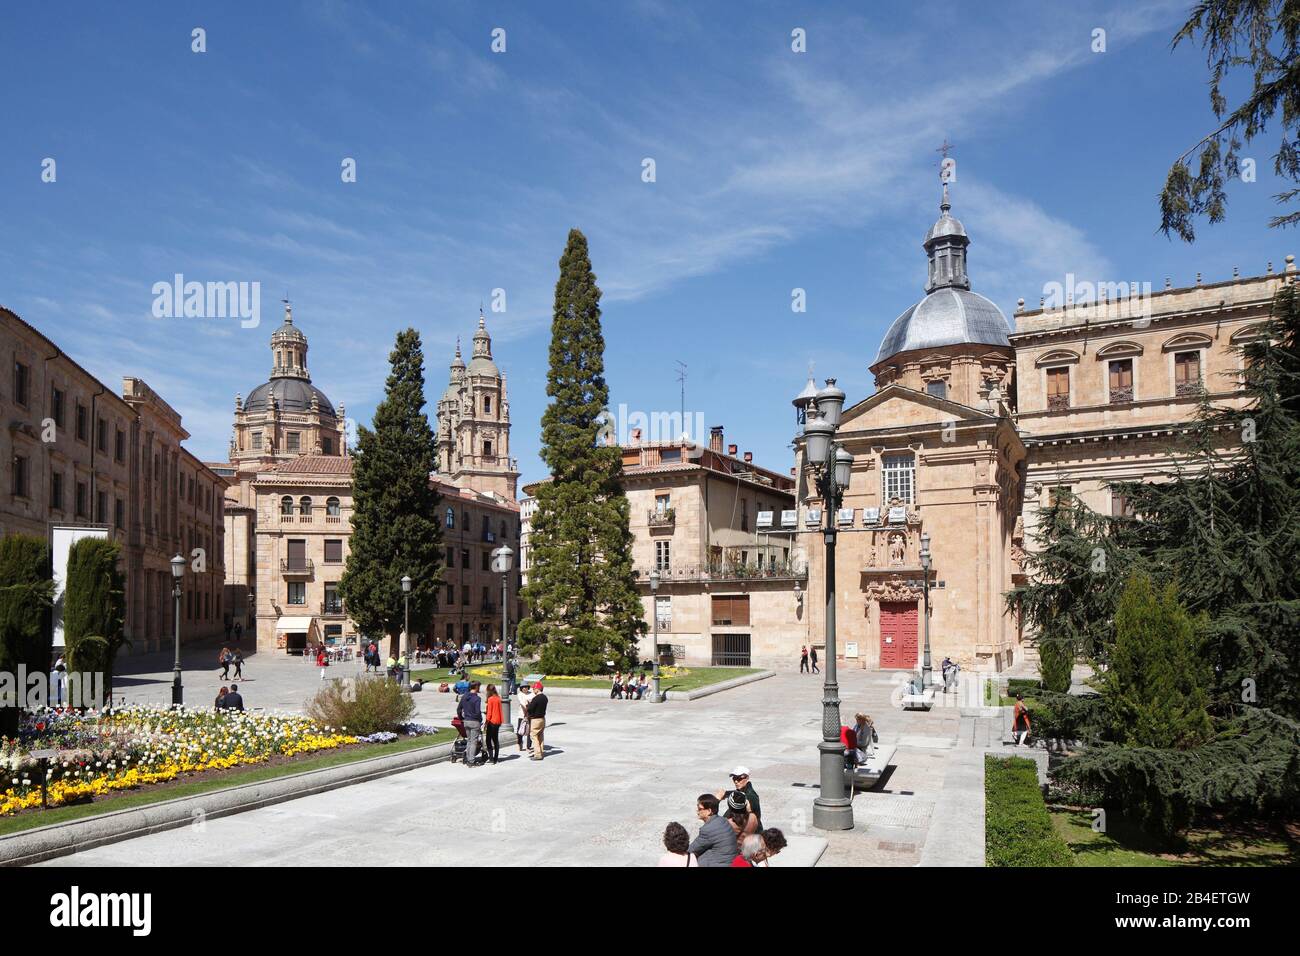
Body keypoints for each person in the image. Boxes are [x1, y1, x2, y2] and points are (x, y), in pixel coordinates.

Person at [688, 794, 736, 867]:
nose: (697, 811)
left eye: (700, 809)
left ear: (709, 811)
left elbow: (691, 849)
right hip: (729, 860)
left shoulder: (708, 830)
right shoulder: (723, 820)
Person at [458, 681, 483, 767]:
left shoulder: (464, 696)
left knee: (469, 740)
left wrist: (461, 718)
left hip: (466, 721)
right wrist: (480, 720)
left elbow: (459, 709)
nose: (479, 688)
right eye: (479, 686)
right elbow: (477, 712)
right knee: (473, 742)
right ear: (476, 687)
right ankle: (471, 761)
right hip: (474, 721)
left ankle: (468, 758)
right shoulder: (477, 699)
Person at [527, 681, 547, 761]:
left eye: (534, 689)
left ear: (537, 689)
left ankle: (538, 754)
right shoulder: (545, 697)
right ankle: (541, 751)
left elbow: (530, 709)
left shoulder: (536, 698)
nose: (533, 690)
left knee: (534, 736)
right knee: (540, 736)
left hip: (535, 720)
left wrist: (529, 704)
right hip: (542, 719)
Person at [484, 684, 503, 764]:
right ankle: (496, 758)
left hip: (492, 721)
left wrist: (486, 722)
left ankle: (491, 758)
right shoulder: (498, 698)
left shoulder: (491, 699)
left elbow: (490, 713)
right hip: (498, 721)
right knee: (495, 739)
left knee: (488, 740)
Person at [516, 682, 534, 752]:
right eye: (523, 687)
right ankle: (519, 743)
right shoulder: (520, 694)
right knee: (520, 730)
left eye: (526, 687)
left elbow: (532, 703)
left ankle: (528, 747)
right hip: (521, 715)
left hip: (530, 715)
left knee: (529, 730)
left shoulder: (532, 694)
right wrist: (528, 703)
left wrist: (528, 703)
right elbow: (523, 704)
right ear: (521, 688)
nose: (524, 688)